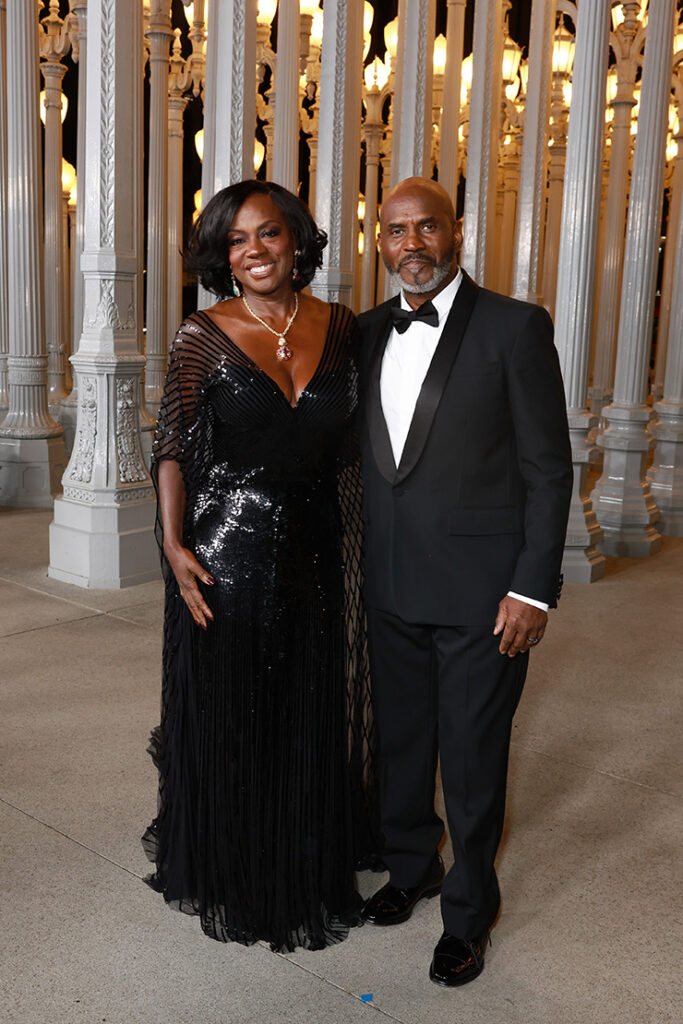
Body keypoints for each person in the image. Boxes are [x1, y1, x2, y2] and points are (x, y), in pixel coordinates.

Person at [142, 179, 378, 953]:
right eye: (237, 241)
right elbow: (173, 448)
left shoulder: (341, 327)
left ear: (296, 240)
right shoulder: (201, 334)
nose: (255, 252)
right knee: (237, 705)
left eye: (268, 234)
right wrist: (175, 550)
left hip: (316, 547)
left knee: (306, 698)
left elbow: (368, 440)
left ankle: (304, 853)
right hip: (225, 553)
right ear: (222, 256)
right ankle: (236, 860)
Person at [357, 177, 572, 986]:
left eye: (426, 227)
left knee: (473, 760)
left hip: (487, 599)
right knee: (402, 745)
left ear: (455, 233)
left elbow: (548, 470)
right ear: (380, 241)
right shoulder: (368, 331)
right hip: (388, 585)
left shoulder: (515, 327)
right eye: (394, 230)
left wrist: (533, 588)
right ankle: (412, 868)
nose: (410, 243)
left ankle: (469, 914)